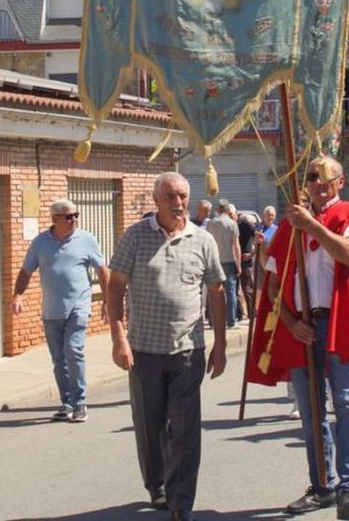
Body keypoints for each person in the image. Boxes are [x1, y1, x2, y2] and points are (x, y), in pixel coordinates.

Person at [248, 155, 349, 520]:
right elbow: (273, 283)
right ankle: (321, 485)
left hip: (339, 323)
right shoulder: (291, 223)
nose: (316, 183)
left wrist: (311, 226)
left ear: (340, 181)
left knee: (346, 406)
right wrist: (288, 321)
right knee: (311, 413)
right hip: (302, 325)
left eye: (323, 177)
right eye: (311, 177)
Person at [108, 172, 227, 521]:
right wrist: (119, 339)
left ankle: (181, 502)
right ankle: (156, 485)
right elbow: (114, 289)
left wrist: (219, 344)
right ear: (156, 199)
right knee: (150, 425)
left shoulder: (203, 240)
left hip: (188, 352)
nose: (178, 203)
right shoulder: (135, 237)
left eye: (183, 196)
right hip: (144, 350)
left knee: (186, 427)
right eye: (171, 196)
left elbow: (217, 294)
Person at [12, 198, 110, 423]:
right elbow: (26, 271)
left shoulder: (87, 239)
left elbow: (103, 270)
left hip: (79, 305)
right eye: (69, 216)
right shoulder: (40, 242)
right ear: (55, 219)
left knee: (73, 350)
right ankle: (67, 402)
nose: (74, 219)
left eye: (76, 215)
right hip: (51, 309)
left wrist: (106, 300)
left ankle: (80, 401)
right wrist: (18, 295)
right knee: (59, 359)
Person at [206, 199, 242, 329]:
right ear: (227, 210)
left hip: (214, 261)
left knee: (213, 291)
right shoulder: (232, 224)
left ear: (217, 209)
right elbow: (236, 246)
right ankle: (231, 321)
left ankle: (213, 321)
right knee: (231, 291)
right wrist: (238, 264)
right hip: (229, 261)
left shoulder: (210, 223)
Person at [237, 209, 260, 321]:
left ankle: (252, 313)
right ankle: (239, 314)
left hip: (245, 261)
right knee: (235, 289)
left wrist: (252, 254)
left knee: (247, 287)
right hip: (233, 261)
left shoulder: (245, 225)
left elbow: (259, 237)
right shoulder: (233, 225)